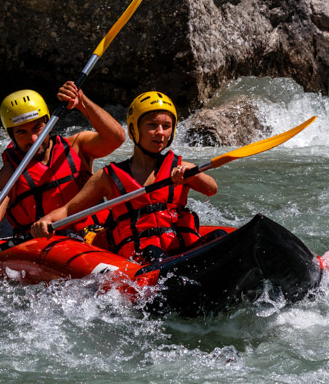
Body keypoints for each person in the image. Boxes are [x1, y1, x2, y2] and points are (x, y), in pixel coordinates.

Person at [30, 91, 218, 261]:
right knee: (154, 253)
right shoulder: (109, 177)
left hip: (182, 249)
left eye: (166, 126)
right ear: (134, 129)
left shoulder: (181, 168)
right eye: (152, 125)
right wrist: (46, 221)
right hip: (143, 258)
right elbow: (69, 210)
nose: (160, 132)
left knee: (218, 237)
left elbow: (211, 189)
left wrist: (191, 176)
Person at [0, 81, 125, 238]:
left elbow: (117, 138)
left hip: (95, 234)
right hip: (47, 246)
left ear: (49, 124)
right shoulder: (6, 177)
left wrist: (82, 103)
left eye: (37, 128)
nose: (33, 138)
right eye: (22, 132)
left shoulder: (77, 146)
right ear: (12, 136)